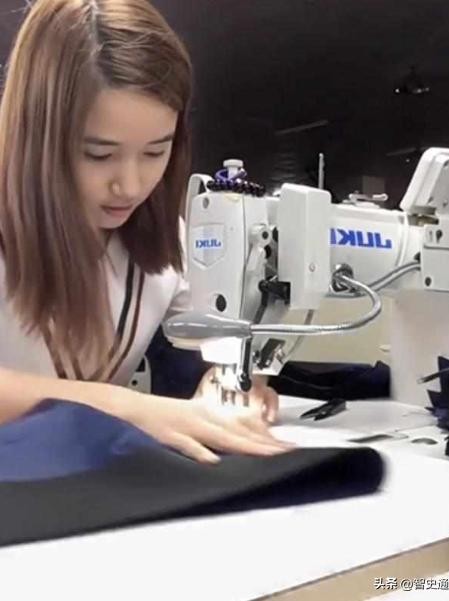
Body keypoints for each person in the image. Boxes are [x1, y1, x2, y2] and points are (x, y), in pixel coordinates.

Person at [0, 0, 289, 464]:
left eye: (156, 152)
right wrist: (128, 408)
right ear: (38, 133)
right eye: (99, 154)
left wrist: (234, 382)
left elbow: (226, 335)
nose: (131, 186)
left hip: (90, 485)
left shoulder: (167, 237)